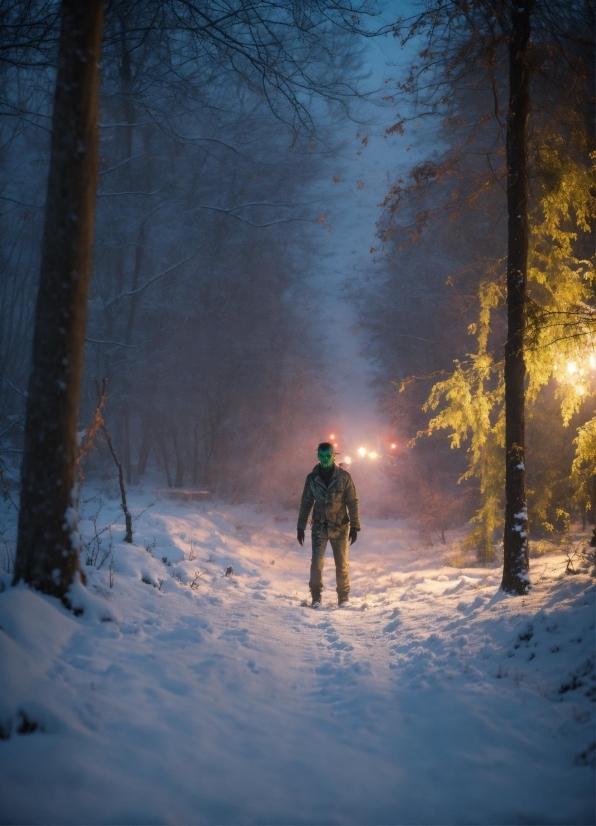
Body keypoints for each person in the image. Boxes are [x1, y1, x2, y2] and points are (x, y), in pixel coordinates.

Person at [297, 442, 361, 608]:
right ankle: (316, 596)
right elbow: (306, 502)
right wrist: (301, 526)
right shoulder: (312, 479)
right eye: (322, 456)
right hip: (319, 526)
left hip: (340, 526)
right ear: (318, 456)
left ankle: (343, 597)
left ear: (334, 456)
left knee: (342, 564)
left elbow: (352, 501)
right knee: (317, 563)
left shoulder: (344, 477)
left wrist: (355, 526)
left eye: (328, 456)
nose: (325, 460)